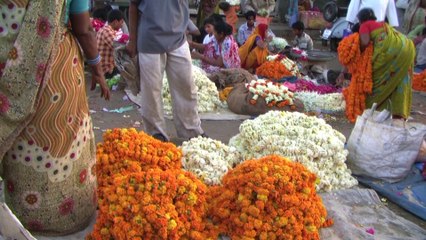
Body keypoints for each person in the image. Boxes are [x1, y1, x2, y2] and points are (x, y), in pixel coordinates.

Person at [0, 0, 110, 235]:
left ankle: (20, 216)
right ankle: (67, 217)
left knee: (21, 143)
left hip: (8, 67)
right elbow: (83, 28)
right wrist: (97, 68)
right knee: (61, 141)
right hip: (56, 69)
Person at [127, 0, 205, 142]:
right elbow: (133, 6)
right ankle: (156, 133)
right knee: (151, 91)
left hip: (178, 40)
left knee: (186, 86)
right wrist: (132, 40)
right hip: (150, 40)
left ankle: (191, 130)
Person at [348, 8, 414, 119]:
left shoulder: (365, 25)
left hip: (393, 50)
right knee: (398, 79)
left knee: (374, 77)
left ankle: (374, 107)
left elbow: (364, 42)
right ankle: (398, 112)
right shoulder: (381, 24)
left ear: (361, 20)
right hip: (407, 46)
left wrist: (357, 48)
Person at [97, 9, 124, 79]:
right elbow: (118, 47)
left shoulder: (106, 30)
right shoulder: (107, 31)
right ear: (115, 22)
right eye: (121, 22)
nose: (122, 25)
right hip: (106, 69)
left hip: (107, 66)